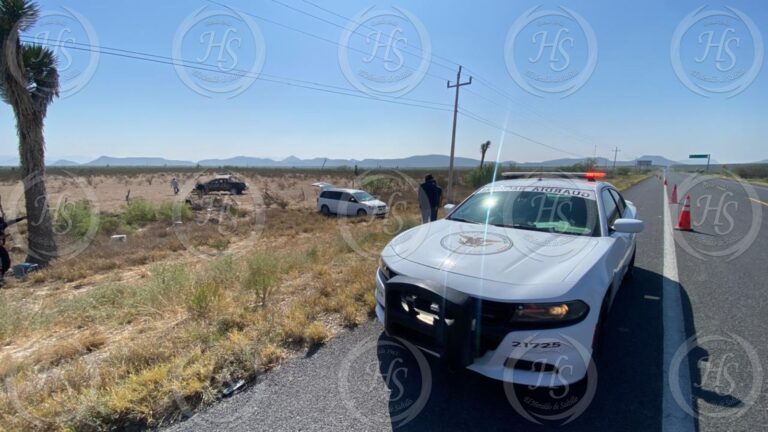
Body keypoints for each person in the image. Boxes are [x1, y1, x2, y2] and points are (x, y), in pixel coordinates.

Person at [0, 214, 26, 286]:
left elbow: (11, 222)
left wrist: (22, 218)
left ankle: (1, 278)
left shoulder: (2, 223)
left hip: (1, 247)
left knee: (6, 262)